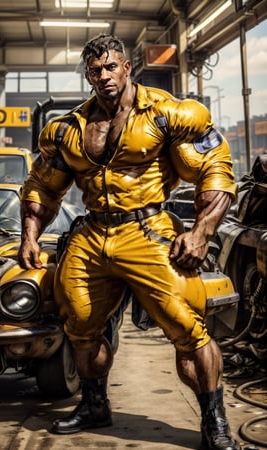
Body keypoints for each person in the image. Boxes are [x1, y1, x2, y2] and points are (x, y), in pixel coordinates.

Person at [18, 34, 240, 450]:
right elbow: (43, 187)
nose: (103, 75)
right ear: (88, 74)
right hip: (92, 233)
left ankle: (215, 422)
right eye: (95, 70)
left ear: (127, 67)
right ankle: (95, 405)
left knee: (187, 328)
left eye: (111, 66)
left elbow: (214, 167)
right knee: (79, 326)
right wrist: (29, 236)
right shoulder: (69, 128)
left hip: (147, 229)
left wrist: (200, 232)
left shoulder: (169, 113)